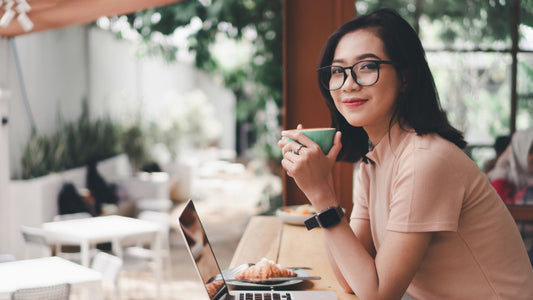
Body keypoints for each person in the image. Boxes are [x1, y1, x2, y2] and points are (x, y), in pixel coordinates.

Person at [278, 8, 533, 300]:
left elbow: (378, 294)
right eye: (338, 71)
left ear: (405, 77)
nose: (348, 83)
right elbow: (352, 280)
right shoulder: (374, 160)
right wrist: (321, 195)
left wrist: (321, 195)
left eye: (367, 66)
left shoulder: (426, 160)